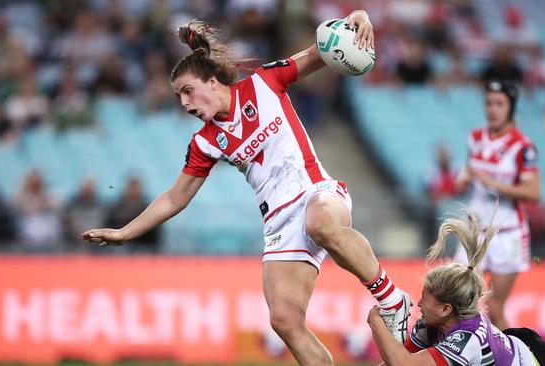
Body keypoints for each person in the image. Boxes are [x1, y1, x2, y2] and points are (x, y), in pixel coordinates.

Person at [82, 10, 411, 365]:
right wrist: (125, 232)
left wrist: (357, 16)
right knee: (284, 320)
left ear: (212, 81)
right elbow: (175, 197)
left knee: (321, 224)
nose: (185, 104)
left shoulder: (263, 83)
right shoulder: (205, 142)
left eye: (187, 91)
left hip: (316, 192)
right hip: (279, 223)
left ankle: (393, 301)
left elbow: (323, 51)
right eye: (179, 97)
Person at [367, 212, 545, 366]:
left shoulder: (467, 338)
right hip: (519, 345)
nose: (418, 305)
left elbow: (404, 365)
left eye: (425, 300)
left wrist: (376, 322)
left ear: (447, 308)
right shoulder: (432, 324)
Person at [454, 80, 541, 330]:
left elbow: (533, 193)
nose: (492, 109)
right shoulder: (475, 138)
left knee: (495, 307)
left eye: (499, 104)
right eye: (489, 103)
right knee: (458, 299)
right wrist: (463, 180)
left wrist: (490, 181)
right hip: (474, 234)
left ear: (511, 108)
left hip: (507, 235)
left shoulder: (523, 147)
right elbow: (465, 176)